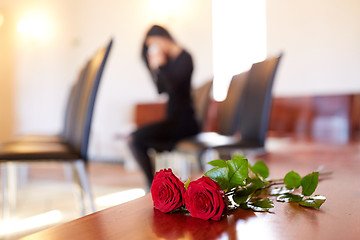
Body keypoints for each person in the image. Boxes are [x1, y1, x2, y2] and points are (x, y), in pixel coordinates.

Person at [128, 25, 199, 188]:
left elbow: (174, 87)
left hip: (185, 122)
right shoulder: (169, 61)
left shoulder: (185, 57)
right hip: (173, 120)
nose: (155, 48)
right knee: (135, 139)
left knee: (135, 139)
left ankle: (152, 186)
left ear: (163, 37)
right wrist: (155, 68)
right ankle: (154, 185)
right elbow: (161, 90)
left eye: (154, 43)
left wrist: (162, 66)